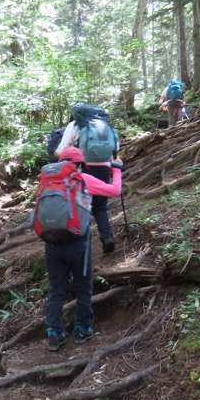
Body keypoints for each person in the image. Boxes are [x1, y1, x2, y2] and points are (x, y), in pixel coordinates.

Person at [44, 147, 123, 352]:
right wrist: (117, 169)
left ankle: (54, 333)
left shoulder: (48, 181)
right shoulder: (83, 179)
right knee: (83, 286)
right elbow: (115, 191)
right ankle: (82, 328)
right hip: (78, 243)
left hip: (51, 243)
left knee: (56, 290)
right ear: (79, 165)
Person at [54, 107, 119, 254]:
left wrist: (56, 155)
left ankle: (82, 243)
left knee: (80, 205)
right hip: (103, 167)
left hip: (81, 167)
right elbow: (115, 148)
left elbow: (61, 150)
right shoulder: (104, 125)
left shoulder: (74, 125)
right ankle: (107, 237)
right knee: (100, 207)